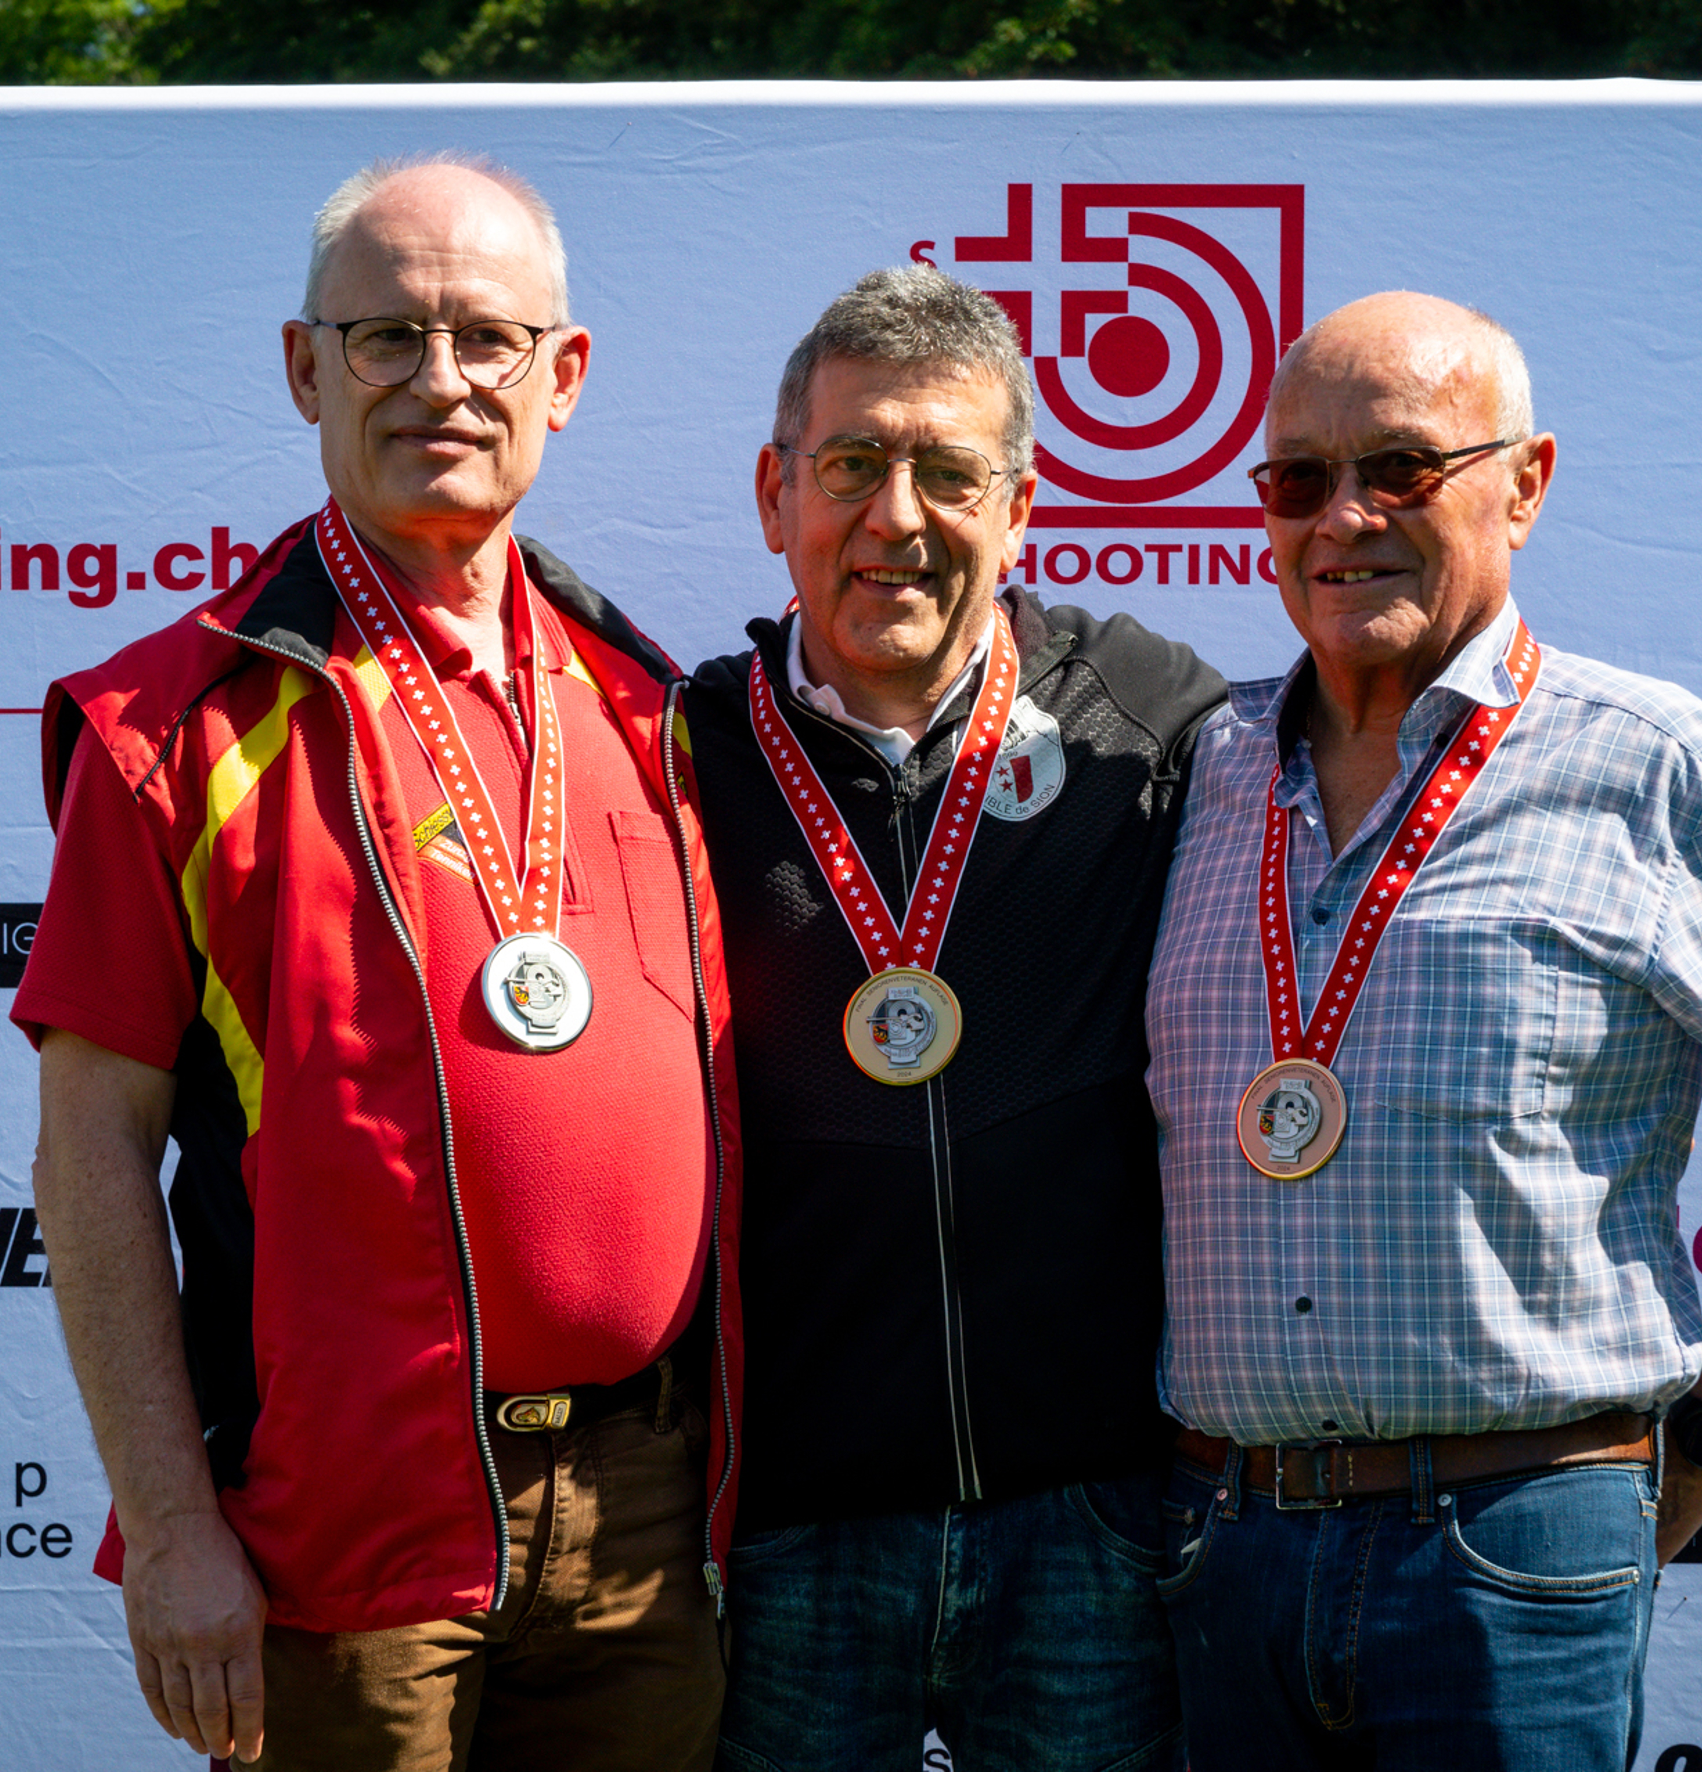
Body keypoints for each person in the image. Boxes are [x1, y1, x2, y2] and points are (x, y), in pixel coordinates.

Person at [1143, 290, 1702, 1770]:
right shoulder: (1198, 771)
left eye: (1400, 467)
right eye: (1298, 480)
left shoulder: (1659, 770)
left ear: (1525, 483)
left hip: (1511, 1547)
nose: (1343, 518)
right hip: (1223, 1548)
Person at [10, 153, 742, 1772]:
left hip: (643, 1529)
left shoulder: (652, 710)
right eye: (384, 339)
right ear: (302, 368)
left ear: (565, 377)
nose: (441, 382)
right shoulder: (169, 727)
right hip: (340, 1528)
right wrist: (173, 1530)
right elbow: (91, 1159)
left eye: (487, 339)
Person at [679, 265, 1228, 1770]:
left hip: (1091, 1521)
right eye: (852, 464)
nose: (895, 517)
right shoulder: (670, 753)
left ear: (1022, 504)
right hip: (798, 1532)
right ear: (773, 492)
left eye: (947, 470)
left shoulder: (1156, 721)